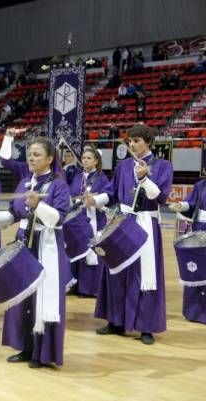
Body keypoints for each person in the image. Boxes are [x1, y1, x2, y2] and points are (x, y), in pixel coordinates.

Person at [0, 137, 70, 368]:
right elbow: (13, 216)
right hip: (23, 245)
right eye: (30, 154)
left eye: (37, 154)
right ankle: (25, 346)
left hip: (45, 244)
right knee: (22, 296)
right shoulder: (24, 183)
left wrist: (37, 205)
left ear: (50, 159)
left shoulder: (58, 185)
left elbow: (59, 219)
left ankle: (43, 352)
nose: (31, 158)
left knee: (41, 297)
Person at [93, 124, 173, 344]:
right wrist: (95, 200)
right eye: (130, 141)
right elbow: (111, 193)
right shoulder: (123, 166)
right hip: (123, 221)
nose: (132, 144)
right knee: (117, 270)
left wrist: (145, 178)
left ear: (148, 142)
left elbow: (161, 197)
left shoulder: (163, 166)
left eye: (137, 140)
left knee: (143, 275)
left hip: (146, 222)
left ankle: (145, 327)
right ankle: (115, 321)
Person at [67, 147, 110, 297]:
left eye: (89, 158)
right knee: (78, 249)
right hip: (78, 219)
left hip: (95, 219)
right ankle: (74, 284)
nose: (85, 160)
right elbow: (72, 195)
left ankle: (90, 288)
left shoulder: (102, 178)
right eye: (84, 158)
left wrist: (94, 200)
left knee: (92, 251)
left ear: (96, 161)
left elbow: (107, 198)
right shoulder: (78, 177)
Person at [168, 181, 206, 324]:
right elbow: (191, 204)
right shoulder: (200, 185)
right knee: (196, 270)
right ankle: (195, 312)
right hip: (200, 230)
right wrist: (180, 205)